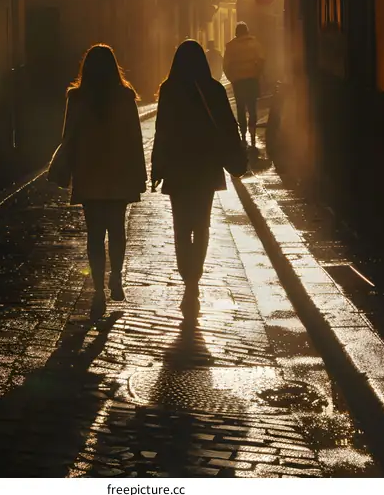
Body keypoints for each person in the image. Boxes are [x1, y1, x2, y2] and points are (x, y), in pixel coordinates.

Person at [151, 40, 242, 319]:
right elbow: (228, 125)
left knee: (181, 226)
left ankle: (187, 277)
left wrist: (157, 168)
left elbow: (162, 130)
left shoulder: (169, 90)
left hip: (179, 168)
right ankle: (194, 281)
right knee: (202, 225)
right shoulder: (214, 89)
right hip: (206, 167)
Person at [61, 45, 147, 321]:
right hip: (119, 170)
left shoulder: (76, 98)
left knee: (95, 233)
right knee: (117, 228)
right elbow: (135, 137)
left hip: (89, 171)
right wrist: (141, 174)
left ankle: (98, 288)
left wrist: (68, 167)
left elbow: (68, 137)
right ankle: (117, 277)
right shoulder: (125, 96)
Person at [223, 22, 265, 149]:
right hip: (252, 80)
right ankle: (252, 134)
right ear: (247, 31)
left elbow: (226, 66)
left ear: (236, 33)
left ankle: (243, 134)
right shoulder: (255, 44)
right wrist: (257, 74)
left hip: (238, 82)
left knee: (240, 108)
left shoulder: (231, 46)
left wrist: (232, 78)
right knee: (252, 107)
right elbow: (262, 60)